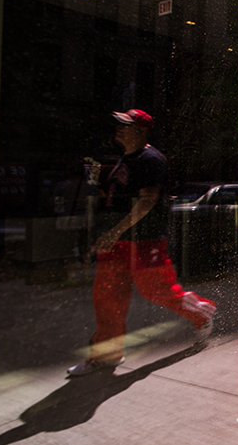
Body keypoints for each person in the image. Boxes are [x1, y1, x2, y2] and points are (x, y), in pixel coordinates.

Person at [68, 109, 217, 377]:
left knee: (154, 289)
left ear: (141, 130)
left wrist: (114, 232)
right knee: (107, 298)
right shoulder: (125, 158)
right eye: (119, 125)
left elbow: (148, 200)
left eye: (125, 125)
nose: (118, 129)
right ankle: (107, 355)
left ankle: (200, 313)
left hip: (144, 238)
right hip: (118, 240)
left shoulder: (151, 159)